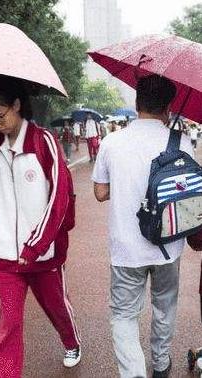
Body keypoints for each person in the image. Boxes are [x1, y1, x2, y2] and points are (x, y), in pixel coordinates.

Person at [0, 77, 81, 378]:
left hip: (43, 256)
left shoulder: (45, 143)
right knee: (9, 323)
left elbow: (60, 199)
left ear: (17, 105)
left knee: (56, 308)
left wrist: (35, 245)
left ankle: (70, 341)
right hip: (5, 255)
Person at [92, 74, 194, 378]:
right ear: (168, 106)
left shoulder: (112, 142)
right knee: (164, 306)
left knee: (124, 315)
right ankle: (161, 364)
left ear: (137, 103)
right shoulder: (182, 141)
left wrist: (125, 184)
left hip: (126, 249)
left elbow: (99, 193)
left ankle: (134, 373)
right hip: (168, 246)